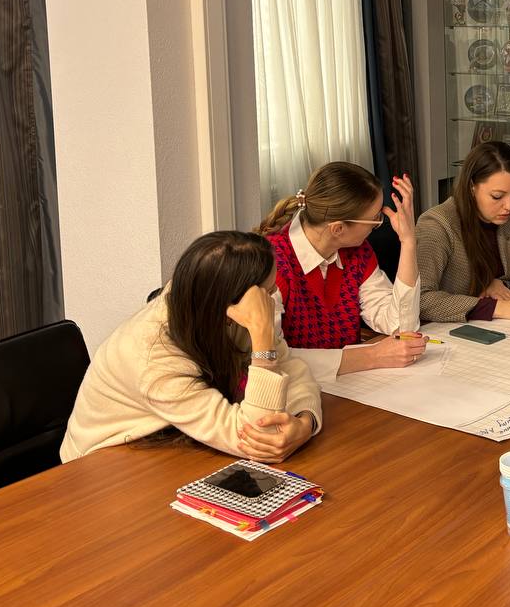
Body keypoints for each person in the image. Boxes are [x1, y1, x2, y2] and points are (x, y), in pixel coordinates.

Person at [61, 231, 322, 463]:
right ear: (231, 303)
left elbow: (292, 369)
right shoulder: (152, 357)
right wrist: (262, 337)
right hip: (103, 465)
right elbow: (256, 439)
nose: (270, 301)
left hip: (168, 443)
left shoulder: (209, 305)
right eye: (266, 293)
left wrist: (305, 421)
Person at [256, 162, 427, 384]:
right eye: (374, 219)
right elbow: (270, 359)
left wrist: (408, 241)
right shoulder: (272, 264)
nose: (379, 223)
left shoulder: (357, 251)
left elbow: (402, 327)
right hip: (292, 394)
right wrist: (371, 356)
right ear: (338, 228)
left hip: (347, 387)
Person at [417, 141, 510, 322]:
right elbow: (420, 300)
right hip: (443, 329)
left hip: (494, 325)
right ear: (472, 187)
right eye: (497, 196)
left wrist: (495, 283)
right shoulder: (437, 225)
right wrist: (495, 307)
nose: (509, 206)